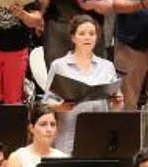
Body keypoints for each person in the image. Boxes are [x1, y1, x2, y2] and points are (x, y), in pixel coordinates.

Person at [44, 14, 123, 154]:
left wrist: (117, 103)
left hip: (99, 136)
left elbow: (114, 108)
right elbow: (46, 103)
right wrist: (60, 106)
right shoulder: (59, 65)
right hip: (68, 136)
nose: (87, 37)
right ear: (73, 38)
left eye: (91, 34)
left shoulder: (107, 66)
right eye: (82, 33)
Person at [5, 103, 68, 167]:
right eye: (43, 124)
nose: (49, 129)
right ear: (31, 128)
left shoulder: (63, 158)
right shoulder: (17, 157)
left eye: (53, 124)